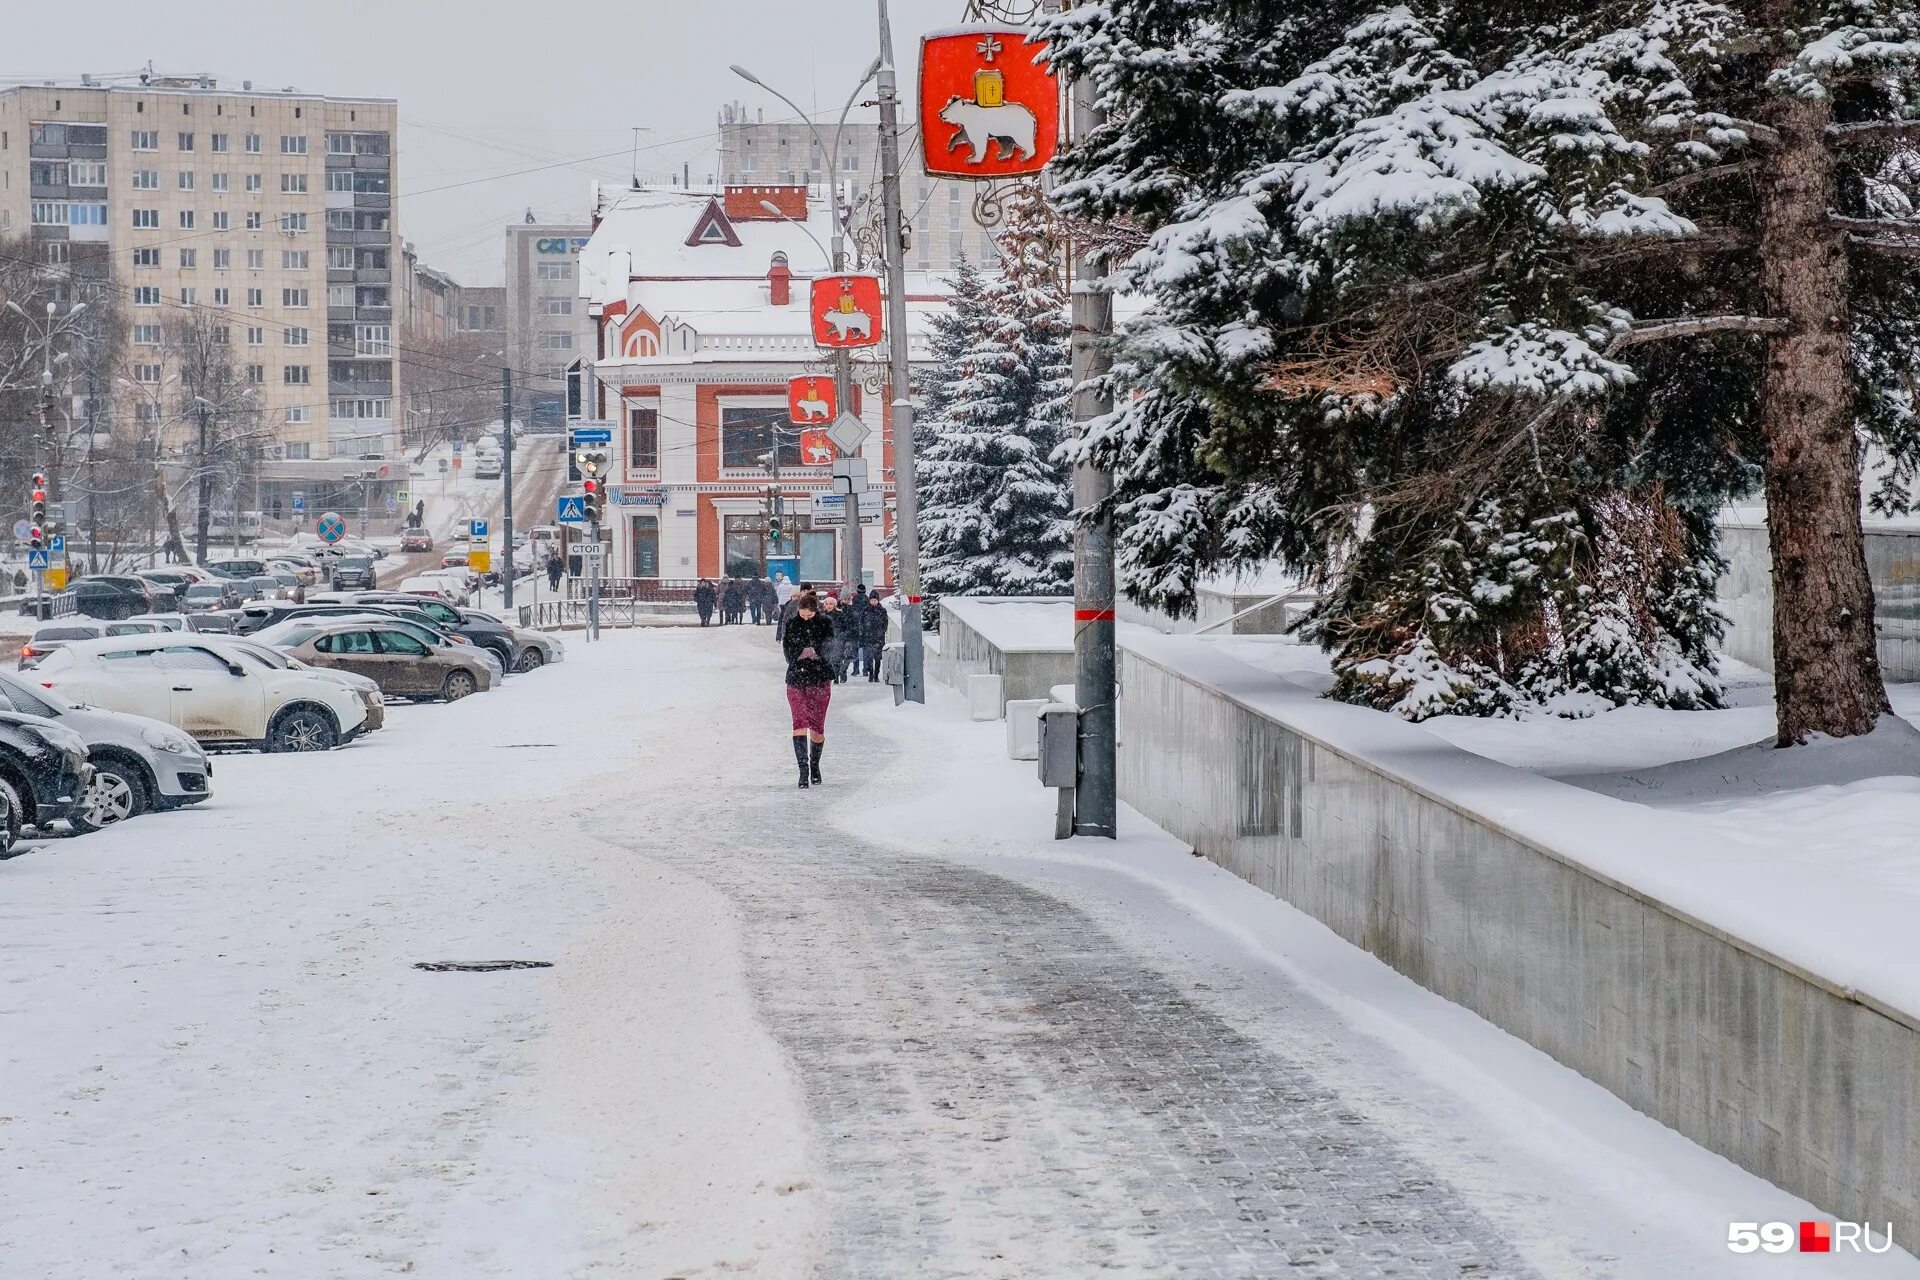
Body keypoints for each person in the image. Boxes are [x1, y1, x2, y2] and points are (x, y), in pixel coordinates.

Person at [782, 590, 835, 788]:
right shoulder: (792, 624)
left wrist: (818, 651)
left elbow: (830, 647)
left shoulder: (825, 623)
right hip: (797, 678)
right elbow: (787, 651)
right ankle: (803, 771)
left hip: (819, 679)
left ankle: (815, 765)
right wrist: (799, 653)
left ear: (815, 611)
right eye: (802, 615)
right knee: (799, 722)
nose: (805, 618)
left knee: (817, 726)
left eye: (809, 615)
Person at [861, 588, 890, 680]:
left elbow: (885, 622)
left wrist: (882, 631)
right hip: (868, 637)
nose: (873, 602)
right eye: (872, 600)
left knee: (877, 658)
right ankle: (870, 674)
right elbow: (861, 622)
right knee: (869, 657)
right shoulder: (865, 610)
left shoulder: (882, 610)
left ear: (878, 600)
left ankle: (876, 674)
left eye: (875, 600)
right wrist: (863, 632)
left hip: (879, 637)